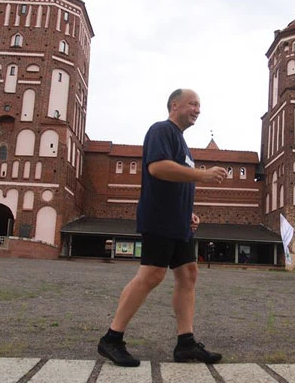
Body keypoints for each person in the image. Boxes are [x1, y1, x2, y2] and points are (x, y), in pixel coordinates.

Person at [97, 89, 228, 367]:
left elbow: (177, 182)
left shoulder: (182, 143)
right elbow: (157, 168)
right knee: (151, 275)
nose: (198, 109)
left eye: (199, 105)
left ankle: (186, 343)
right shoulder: (161, 130)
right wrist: (203, 175)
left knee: (188, 274)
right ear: (174, 105)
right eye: (193, 104)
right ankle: (111, 338)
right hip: (160, 218)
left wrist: (188, 213)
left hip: (179, 222)